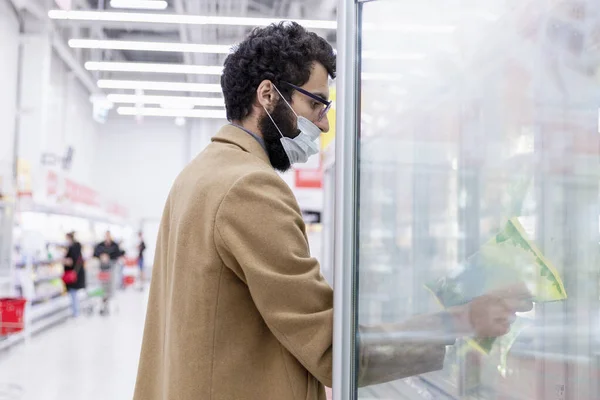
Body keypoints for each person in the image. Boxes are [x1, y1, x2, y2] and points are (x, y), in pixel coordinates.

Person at [134, 23, 532, 400]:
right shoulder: (250, 187)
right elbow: (329, 345)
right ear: (268, 95)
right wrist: (459, 321)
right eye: (316, 104)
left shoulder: (200, 173)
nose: (323, 125)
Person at [94, 231, 124, 314]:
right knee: (103, 286)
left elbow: (118, 254)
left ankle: (107, 303)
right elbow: (95, 253)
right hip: (102, 269)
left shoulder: (114, 245)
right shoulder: (100, 245)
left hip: (112, 268)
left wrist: (109, 257)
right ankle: (104, 301)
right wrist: (101, 256)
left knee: (110, 286)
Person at [63, 232, 85, 318]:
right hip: (76, 275)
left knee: (73, 294)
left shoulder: (73, 248)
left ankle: (75, 313)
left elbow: (71, 261)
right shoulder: (77, 247)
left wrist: (63, 260)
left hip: (73, 275)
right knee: (74, 295)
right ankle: (76, 312)